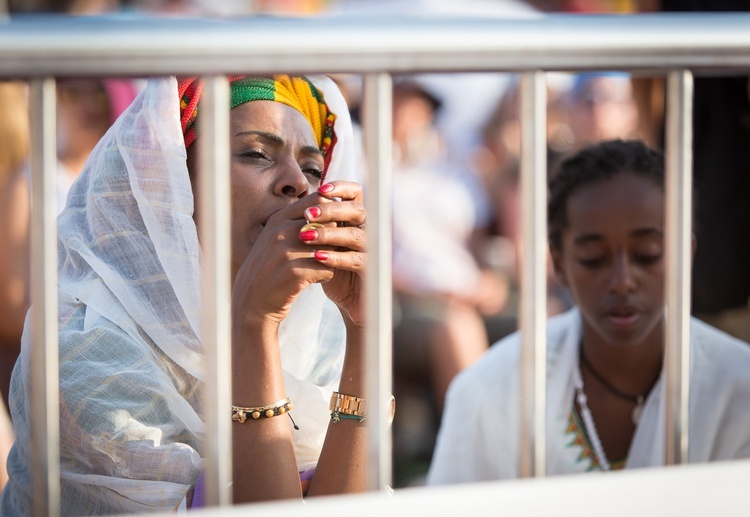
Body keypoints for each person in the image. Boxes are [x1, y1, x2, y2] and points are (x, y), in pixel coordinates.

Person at [1, 74, 369, 513]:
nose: (297, 183)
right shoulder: (86, 358)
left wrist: (364, 329)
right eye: (256, 153)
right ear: (171, 181)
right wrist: (253, 323)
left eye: (312, 168)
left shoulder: (320, 333)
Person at [427, 139, 750, 484]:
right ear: (560, 263)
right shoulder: (491, 390)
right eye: (594, 259)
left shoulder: (738, 388)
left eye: (647, 254)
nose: (622, 281)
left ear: (685, 254)